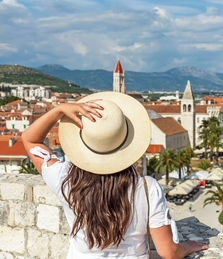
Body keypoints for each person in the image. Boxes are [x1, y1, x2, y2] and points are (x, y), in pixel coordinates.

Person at [22, 92, 208, 259]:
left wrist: (59, 110)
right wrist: (186, 247)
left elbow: (30, 139)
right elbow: (168, 252)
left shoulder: (64, 179)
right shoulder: (147, 188)